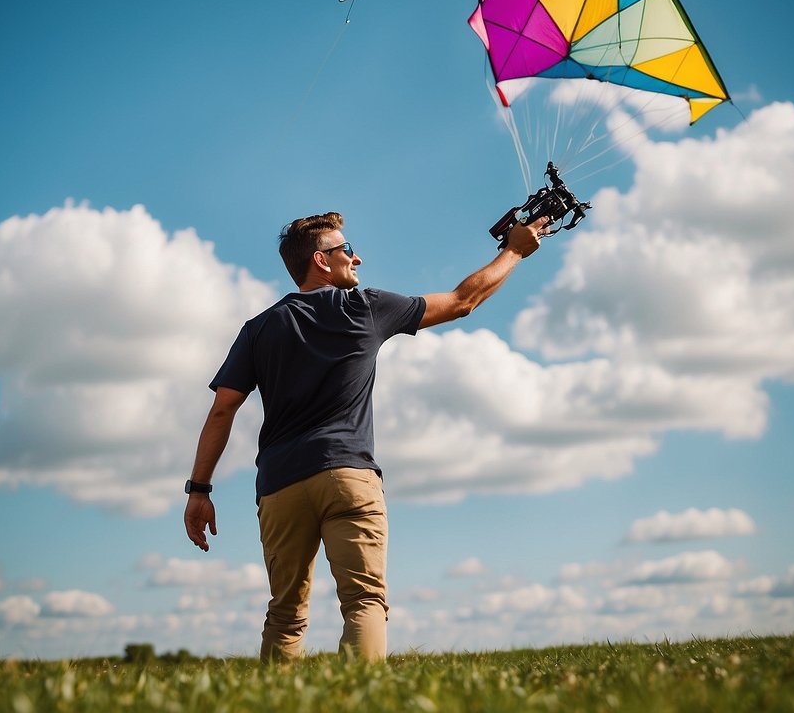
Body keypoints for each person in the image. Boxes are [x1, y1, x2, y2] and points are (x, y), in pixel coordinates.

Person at [183, 211, 546, 661]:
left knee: (284, 614)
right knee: (364, 602)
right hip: (347, 475)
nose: (358, 257)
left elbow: (222, 410)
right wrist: (514, 250)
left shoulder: (257, 329)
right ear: (321, 260)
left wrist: (199, 490)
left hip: (279, 486)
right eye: (347, 250)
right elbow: (460, 301)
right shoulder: (365, 307)